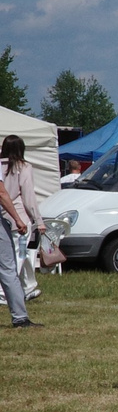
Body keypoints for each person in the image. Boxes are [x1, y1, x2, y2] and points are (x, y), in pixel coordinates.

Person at [0, 134, 37, 329]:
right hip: (17, 219)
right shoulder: (24, 167)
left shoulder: (3, 165)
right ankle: (16, 310)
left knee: (16, 259)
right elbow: (26, 195)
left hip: (9, 218)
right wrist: (32, 219)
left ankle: (29, 287)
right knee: (15, 260)